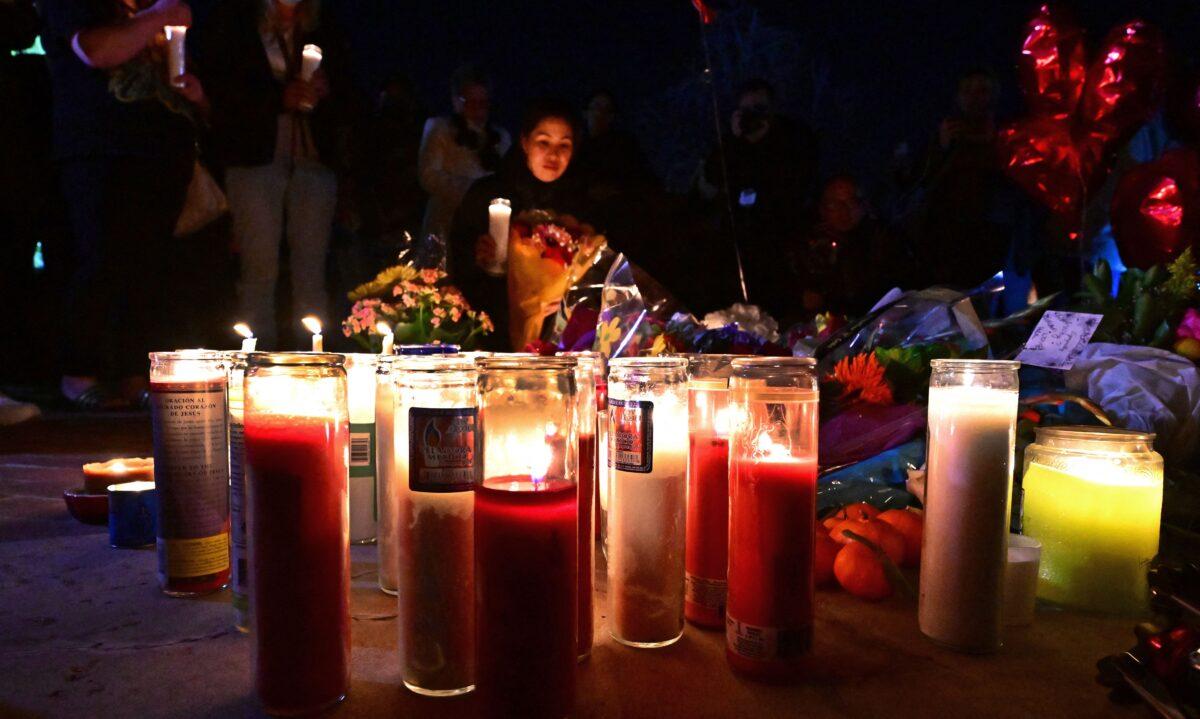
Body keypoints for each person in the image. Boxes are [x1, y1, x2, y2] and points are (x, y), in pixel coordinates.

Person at [40, 0, 206, 408]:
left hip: (163, 151)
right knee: (103, 261)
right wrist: (159, 15)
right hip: (102, 148)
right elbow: (97, 51)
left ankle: (135, 375)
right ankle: (80, 374)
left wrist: (196, 95)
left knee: (149, 270)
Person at [196, 0, 354, 349]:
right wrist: (277, 98)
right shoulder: (237, 28)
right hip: (255, 157)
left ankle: (312, 356)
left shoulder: (323, 30)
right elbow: (221, 92)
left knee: (312, 268)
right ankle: (256, 355)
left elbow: (353, 94)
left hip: (313, 158)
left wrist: (328, 90)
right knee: (259, 266)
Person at [450, 98, 590, 350]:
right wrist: (478, 255)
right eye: (543, 142)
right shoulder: (487, 193)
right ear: (525, 142)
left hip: (558, 336)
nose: (553, 154)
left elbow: (595, 275)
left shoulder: (581, 205)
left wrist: (567, 296)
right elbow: (456, 259)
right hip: (492, 329)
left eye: (564, 145)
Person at [699, 78, 819, 318]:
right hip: (736, 250)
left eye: (759, 109)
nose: (753, 116)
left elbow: (796, 187)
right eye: (746, 110)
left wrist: (761, 144)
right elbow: (712, 177)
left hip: (780, 250)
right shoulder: (732, 144)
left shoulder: (791, 140)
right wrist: (735, 140)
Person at [909, 68, 1012, 288]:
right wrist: (941, 147)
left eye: (982, 91)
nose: (975, 98)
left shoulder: (1007, 138)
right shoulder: (946, 138)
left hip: (996, 242)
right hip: (948, 247)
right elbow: (921, 183)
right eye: (967, 91)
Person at [418, 64, 511, 249]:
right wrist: (474, 192)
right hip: (446, 223)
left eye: (483, 102)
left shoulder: (501, 138)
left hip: (484, 228)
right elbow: (428, 175)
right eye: (470, 101)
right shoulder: (440, 129)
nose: (478, 109)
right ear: (456, 101)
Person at [789, 176, 907, 320]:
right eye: (834, 205)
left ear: (864, 205)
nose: (844, 211)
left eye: (851, 202)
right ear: (823, 209)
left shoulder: (883, 239)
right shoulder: (810, 242)